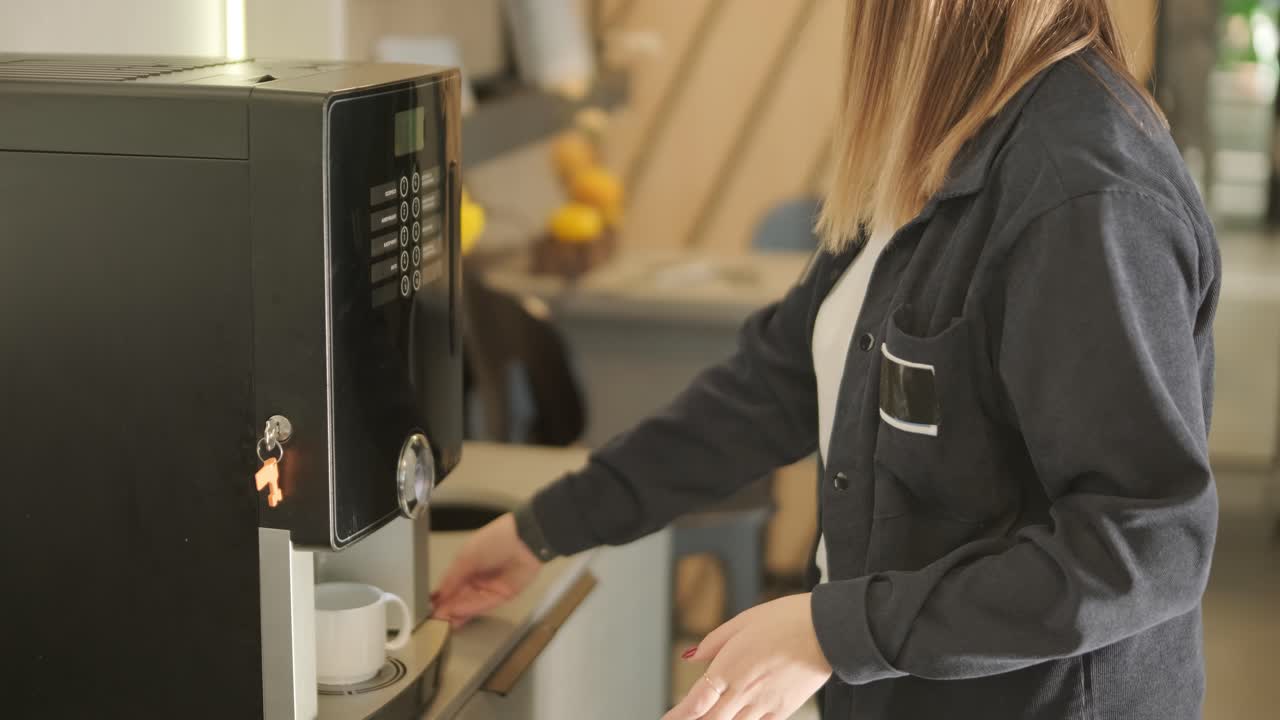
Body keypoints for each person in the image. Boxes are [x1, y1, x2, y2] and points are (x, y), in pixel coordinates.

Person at [433, 1, 1221, 718]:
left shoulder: (1085, 197)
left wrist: (832, 632)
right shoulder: (944, 139)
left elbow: (1144, 546)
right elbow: (771, 386)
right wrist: (546, 527)